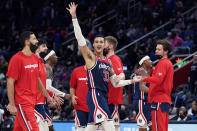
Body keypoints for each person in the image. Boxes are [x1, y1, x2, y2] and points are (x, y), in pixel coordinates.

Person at [67, 2, 141, 131]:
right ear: (93, 45)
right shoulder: (91, 58)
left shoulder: (108, 62)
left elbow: (115, 83)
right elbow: (80, 38)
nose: (99, 44)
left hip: (103, 96)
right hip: (95, 94)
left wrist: (131, 81)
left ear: (105, 45)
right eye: (97, 42)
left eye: (102, 42)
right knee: (109, 126)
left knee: (90, 127)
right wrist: (74, 17)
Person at [6, 31, 55, 131]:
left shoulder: (34, 58)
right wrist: (11, 104)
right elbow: (10, 82)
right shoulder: (17, 59)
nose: (37, 41)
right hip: (23, 103)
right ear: (27, 42)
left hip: (32, 102)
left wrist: (48, 97)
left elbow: (38, 81)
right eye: (34, 39)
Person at [140, 40, 174, 131]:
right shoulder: (165, 63)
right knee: (162, 128)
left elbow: (158, 80)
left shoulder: (163, 63)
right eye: (156, 49)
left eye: (159, 49)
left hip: (159, 100)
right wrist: (151, 70)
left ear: (166, 51)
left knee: (158, 129)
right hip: (163, 100)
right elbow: (158, 78)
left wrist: (141, 78)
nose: (156, 51)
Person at [34, 39, 64, 131]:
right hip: (34, 102)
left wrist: (51, 97)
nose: (46, 48)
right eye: (44, 46)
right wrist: (53, 96)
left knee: (49, 128)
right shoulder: (33, 63)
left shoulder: (42, 64)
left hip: (42, 101)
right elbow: (37, 85)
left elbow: (42, 86)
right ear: (37, 48)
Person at [44, 49, 71, 130]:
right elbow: (47, 87)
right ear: (49, 58)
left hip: (43, 101)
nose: (57, 57)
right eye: (54, 56)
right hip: (39, 103)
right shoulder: (47, 68)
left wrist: (54, 101)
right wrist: (64, 95)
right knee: (49, 128)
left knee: (50, 128)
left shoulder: (48, 68)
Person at [104, 36, 125, 131]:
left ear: (111, 46)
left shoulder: (114, 59)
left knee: (114, 127)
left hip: (112, 99)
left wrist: (119, 77)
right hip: (105, 98)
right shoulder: (103, 60)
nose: (102, 45)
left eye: (104, 43)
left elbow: (122, 74)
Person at [133, 56, 153, 131]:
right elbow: (142, 87)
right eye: (149, 60)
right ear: (144, 62)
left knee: (152, 127)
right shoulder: (142, 72)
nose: (151, 61)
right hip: (141, 102)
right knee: (144, 127)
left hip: (144, 103)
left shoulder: (141, 71)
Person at [70, 65, 89, 131]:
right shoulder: (76, 71)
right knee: (80, 129)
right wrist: (72, 96)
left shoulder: (97, 71)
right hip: (80, 106)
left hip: (94, 107)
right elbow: (72, 87)